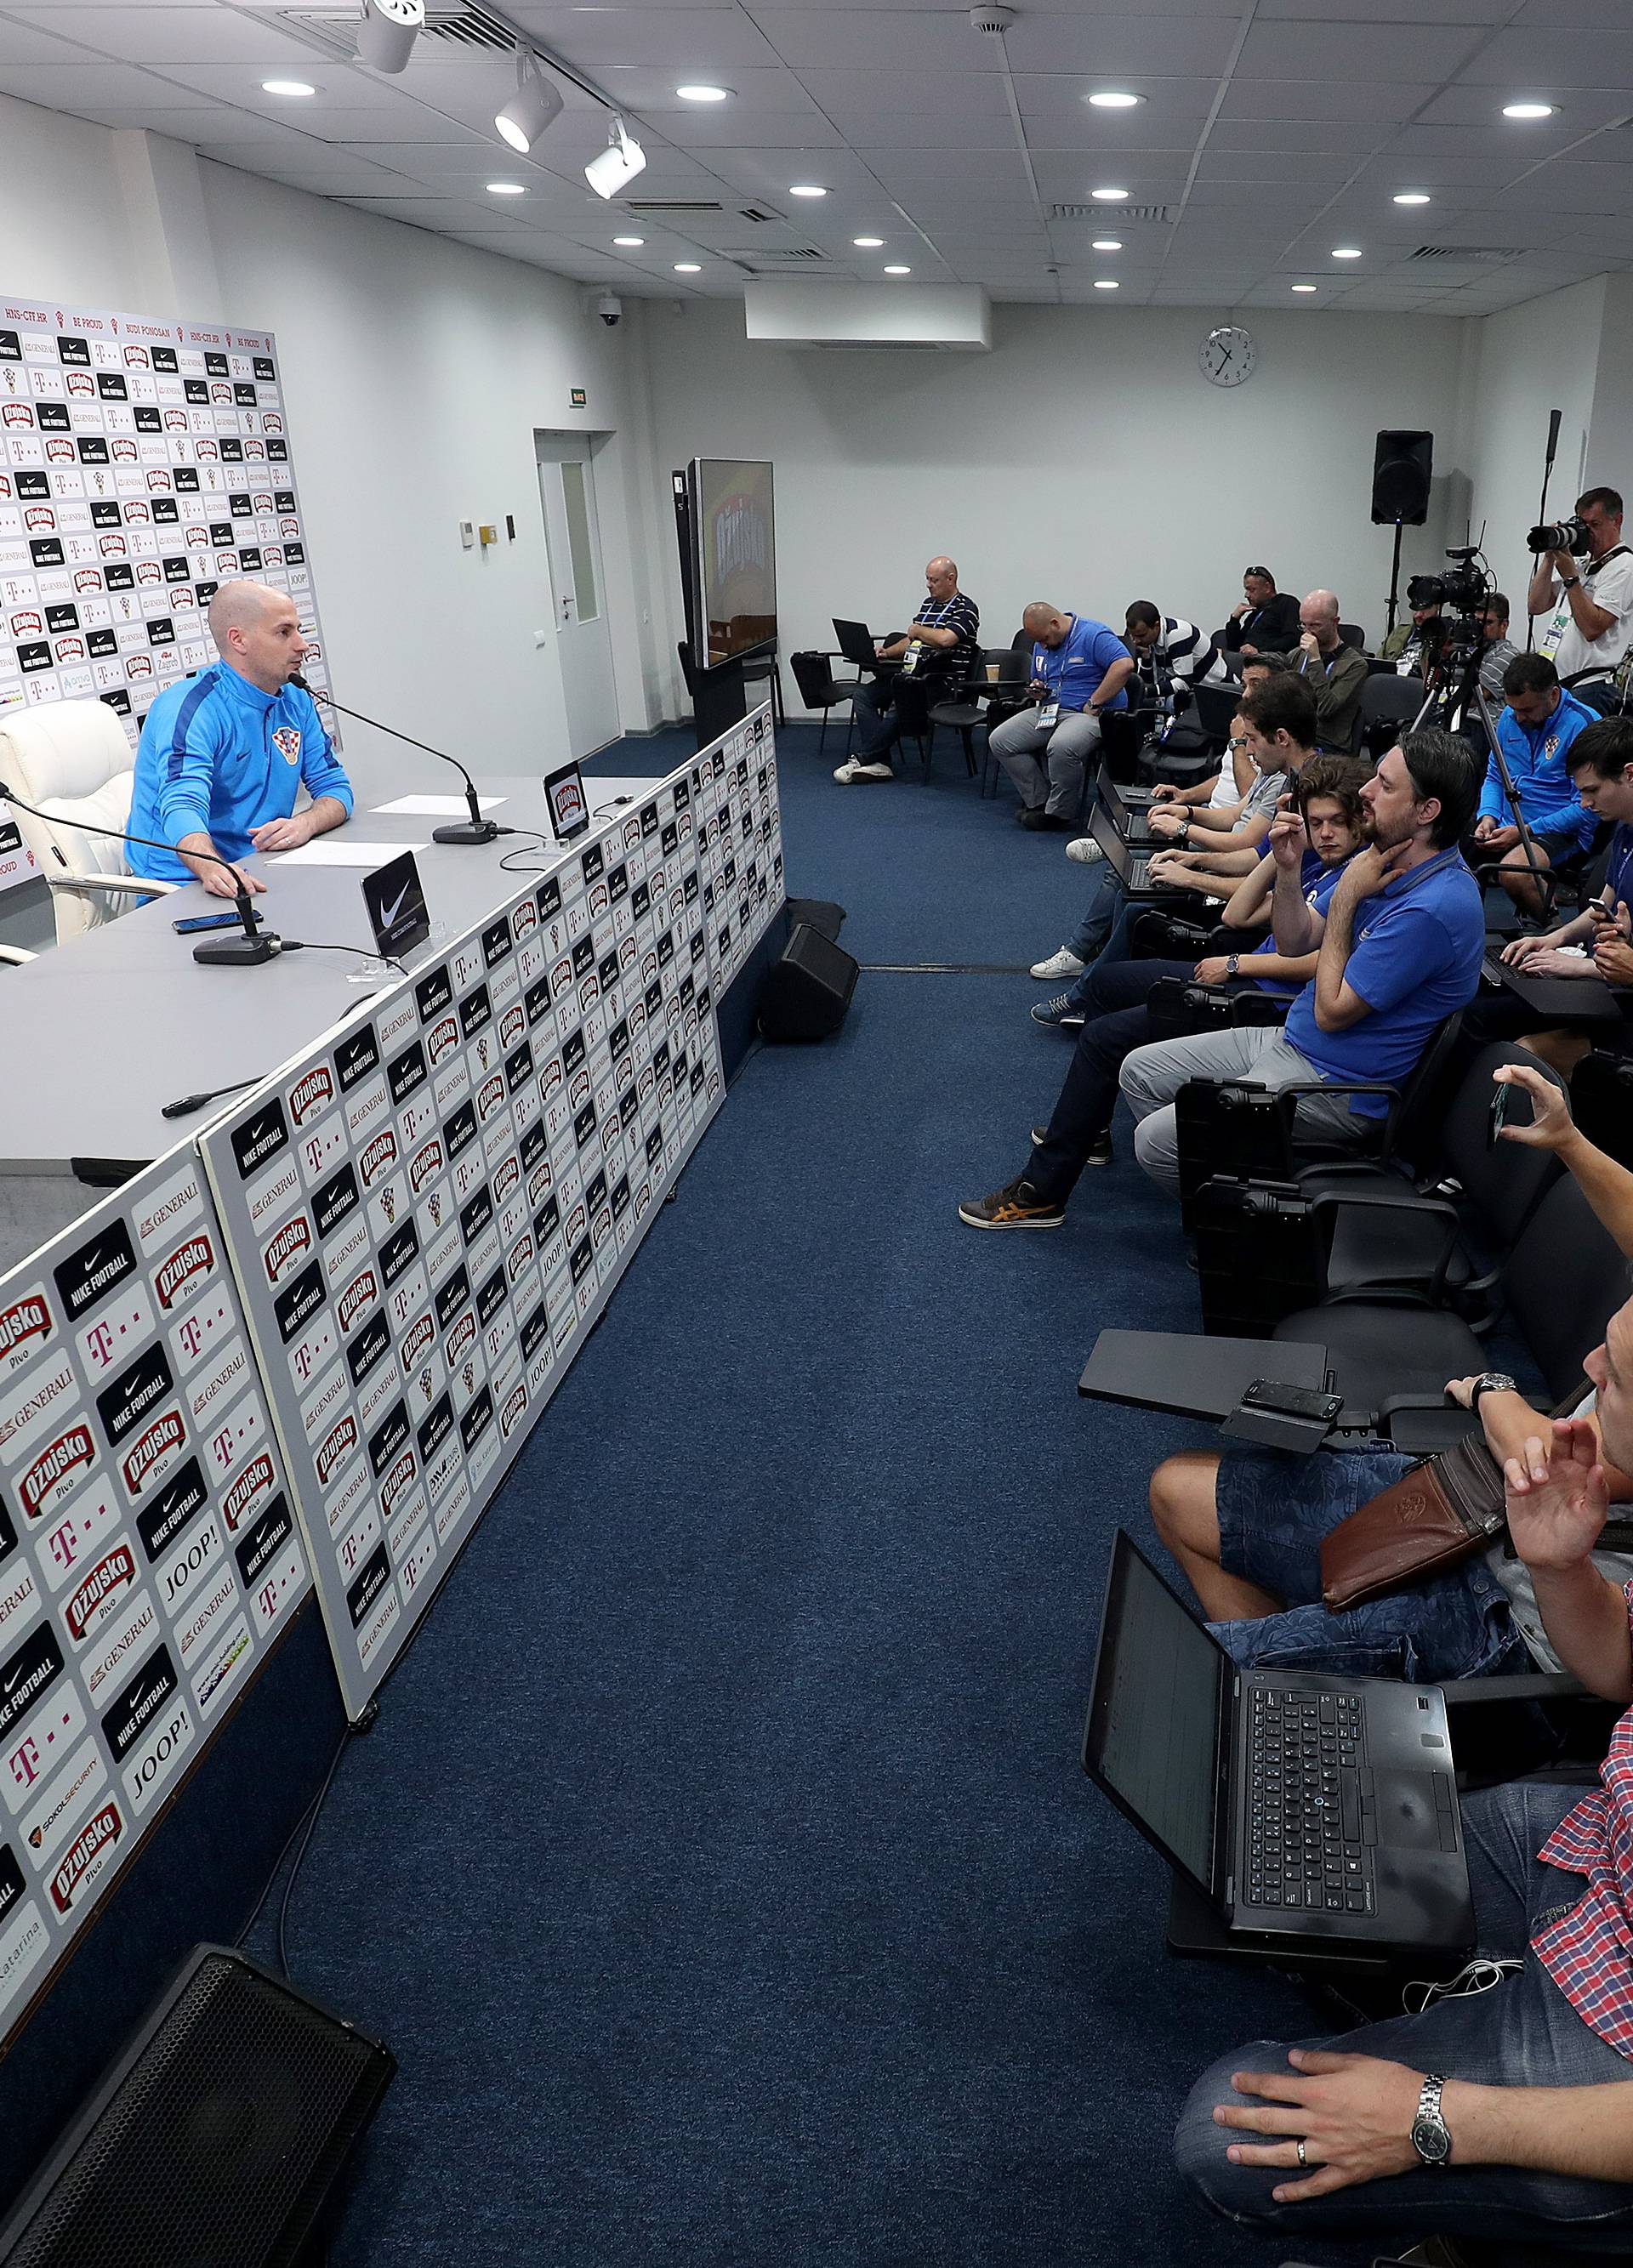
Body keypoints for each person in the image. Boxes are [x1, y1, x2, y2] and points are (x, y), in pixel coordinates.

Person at [1175, 1106, 1633, 2245]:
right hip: (1599, 1840)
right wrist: (1563, 1566)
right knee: (1269, 1814)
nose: (1583, 1366)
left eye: (1616, 1371)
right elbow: (1620, 1666)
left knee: (1222, 2133)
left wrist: (1434, 2117)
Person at [1147, 1060, 1632, 1676]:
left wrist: (1492, 1391)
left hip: (1509, 1618)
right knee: (1175, 1493)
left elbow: (1543, 1460)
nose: (1592, 1366)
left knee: (1201, 1688)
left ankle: (1284, 1685)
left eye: (1615, 1370)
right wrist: (1569, 1140)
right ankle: (1292, 1673)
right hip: (1477, 1500)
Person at [959, 761, 1368, 1224]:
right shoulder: (1322, 868)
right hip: (1247, 981)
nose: (1327, 833)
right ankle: (1089, 1126)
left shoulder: (1357, 881)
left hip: (1258, 998)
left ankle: (1043, 1189)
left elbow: (1323, 961)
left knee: (1103, 1040)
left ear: (1362, 821)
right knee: (1106, 983)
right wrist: (1281, 852)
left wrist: (1236, 962)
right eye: (1317, 823)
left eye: (1337, 822)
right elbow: (1237, 914)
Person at [1118, 729, 1484, 1193]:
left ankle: (1240, 1226)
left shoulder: (1435, 908)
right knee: (1139, 1072)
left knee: (1155, 1141)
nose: (1366, 792)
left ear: (1427, 811)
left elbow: (1332, 1014)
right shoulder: (1382, 858)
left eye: (1385, 786)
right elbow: (1296, 941)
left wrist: (1348, 895)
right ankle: (1227, 1188)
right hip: (1294, 1040)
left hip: (1337, 1085)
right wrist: (1288, 869)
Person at [1028, 679, 1317, 1014]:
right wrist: (1190, 858)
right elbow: (1257, 858)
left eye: (1250, 740)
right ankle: (1091, 978)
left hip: (1262, 935)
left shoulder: (1310, 798)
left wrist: (1192, 868)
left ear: (1281, 738)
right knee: (1138, 885)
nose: (1248, 750)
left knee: (1139, 906)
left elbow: (1260, 879)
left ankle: (1087, 993)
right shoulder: (1289, 780)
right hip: (1255, 907)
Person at [127, 578, 351, 894]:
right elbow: (181, 807)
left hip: (264, 864)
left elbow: (336, 788)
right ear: (239, 640)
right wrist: (213, 867)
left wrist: (307, 823)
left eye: (299, 630)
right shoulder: (192, 708)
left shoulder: (295, 697)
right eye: (284, 632)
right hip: (183, 883)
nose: (302, 644)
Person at [1488, 715, 1633, 1074]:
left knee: (1521, 1053)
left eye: (1592, 790)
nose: (1584, 803)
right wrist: (1553, 939)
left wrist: (1582, 967)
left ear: (1630, 774)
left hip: (1621, 994)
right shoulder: (1626, 830)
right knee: (1486, 1002)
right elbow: (1603, 905)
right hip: (1609, 979)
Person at [833, 556, 979, 785]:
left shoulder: (966, 608)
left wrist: (918, 630)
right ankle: (880, 763)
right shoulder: (928, 605)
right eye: (927, 579)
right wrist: (887, 652)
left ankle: (864, 759)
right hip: (912, 676)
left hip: (942, 683)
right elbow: (911, 640)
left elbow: (946, 639)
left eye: (934, 580)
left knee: (903, 696)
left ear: (951, 579)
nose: (929, 584)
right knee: (863, 695)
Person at [987, 602, 1134, 831]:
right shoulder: (1041, 644)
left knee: (1062, 746)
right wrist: (1037, 688)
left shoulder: (1093, 634)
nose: (1042, 645)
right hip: (1050, 709)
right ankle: (1040, 801)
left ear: (1055, 623)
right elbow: (1040, 677)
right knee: (1001, 740)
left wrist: (1095, 701)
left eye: (1045, 638)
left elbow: (1124, 665)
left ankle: (1059, 814)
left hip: (1087, 714)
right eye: (1039, 641)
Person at [1475, 652, 1597, 918]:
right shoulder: (1510, 716)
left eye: (1527, 710)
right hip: (1510, 822)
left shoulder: (1583, 724)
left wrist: (1525, 830)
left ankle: (1553, 930)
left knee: (1515, 873)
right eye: (1514, 709)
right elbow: (1496, 777)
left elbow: (1588, 807)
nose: (1518, 718)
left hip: (1563, 831)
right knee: (1438, 842)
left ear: (1554, 695)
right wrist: (1488, 816)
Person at [1528, 484, 1633, 683]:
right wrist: (1550, 557)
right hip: (1557, 680)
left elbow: (1592, 629)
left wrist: (1570, 578)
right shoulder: (1581, 566)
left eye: (1595, 525)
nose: (1588, 533)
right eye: (1584, 526)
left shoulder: (1625, 566)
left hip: (1589, 684)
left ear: (1617, 521)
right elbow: (1536, 605)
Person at [1294, 589, 1369, 753]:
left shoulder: (1355, 665)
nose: (1308, 633)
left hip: (1327, 745)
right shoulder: (1298, 654)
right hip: (1294, 736)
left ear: (1335, 622)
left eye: (1315, 625)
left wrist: (1315, 660)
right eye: (1303, 625)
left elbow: (1325, 709)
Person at [1122, 603, 1232, 701]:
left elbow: (1184, 682)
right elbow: (1147, 681)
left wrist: (1147, 691)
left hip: (1219, 690)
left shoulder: (1178, 635)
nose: (1136, 641)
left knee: (1170, 702)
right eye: (1133, 636)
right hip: (1193, 690)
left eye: (1141, 636)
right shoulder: (1146, 638)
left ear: (1156, 626)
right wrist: (1146, 658)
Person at [1222, 567, 1300, 657]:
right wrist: (1234, 620)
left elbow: (1293, 638)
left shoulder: (1286, 603)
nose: (1246, 595)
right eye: (1246, 590)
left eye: (1252, 590)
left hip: (1270, 661)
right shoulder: (1254, 614)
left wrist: (1260, 651)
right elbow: (1234, 647)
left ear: (1267, 587)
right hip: (1246, 660)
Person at [1378, 590, 1443, 672]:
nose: (1418, 614)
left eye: (1425, 608)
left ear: (1438, 607)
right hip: (1391, 680)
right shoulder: (1398, 633)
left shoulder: (1443, 638)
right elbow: (1377, 664)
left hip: (1419, 682)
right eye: (1415, 608)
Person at [1478, 591, 1520, 700]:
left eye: (1487, 622)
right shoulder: (1472, 650)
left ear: (1504, 626)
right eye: (1477, 621)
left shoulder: (1508, 654)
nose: (1480, 628)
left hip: (1481, 716)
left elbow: (1476, 697)